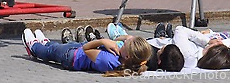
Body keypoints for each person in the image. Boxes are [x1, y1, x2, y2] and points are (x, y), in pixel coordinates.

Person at [22, 28, 152, 76]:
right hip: (79, 50)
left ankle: (33, 48)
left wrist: (103, 41)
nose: (124, 42)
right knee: (55, 47)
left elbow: (87, 49)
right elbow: (118, 39)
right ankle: (45, 43)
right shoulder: (124, 56)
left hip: (73, 57)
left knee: (51, 52)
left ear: (128, 56)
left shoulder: (108, 61)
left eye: (126, 44)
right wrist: (128, 38)